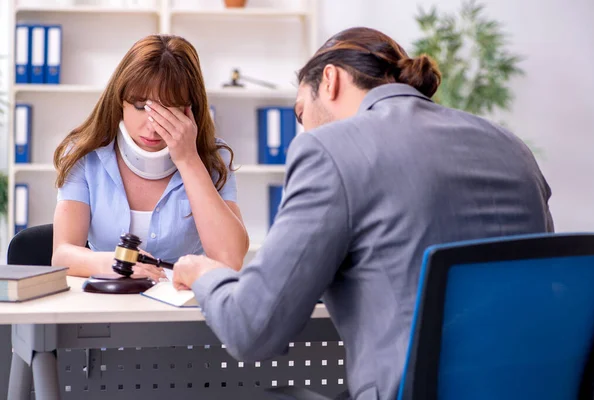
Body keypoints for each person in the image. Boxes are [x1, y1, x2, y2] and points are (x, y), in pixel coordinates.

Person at [171, 27, 554, 400]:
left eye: (302, 115)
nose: (302, 133)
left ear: (331, 81)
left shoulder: (329, 148)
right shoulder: (512, 147)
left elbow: (251, 330)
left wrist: (206, 273)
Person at [51, 34, 249, 282]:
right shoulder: (85, 156)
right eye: (141, 106)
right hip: (106, 307)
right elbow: (62, 255)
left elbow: (230, 259)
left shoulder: (213, 159)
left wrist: (188, 160)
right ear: (119, 102)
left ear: (191, 109)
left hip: (183, 310)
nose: (153, 126)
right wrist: (117, 264)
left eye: (168, 109)